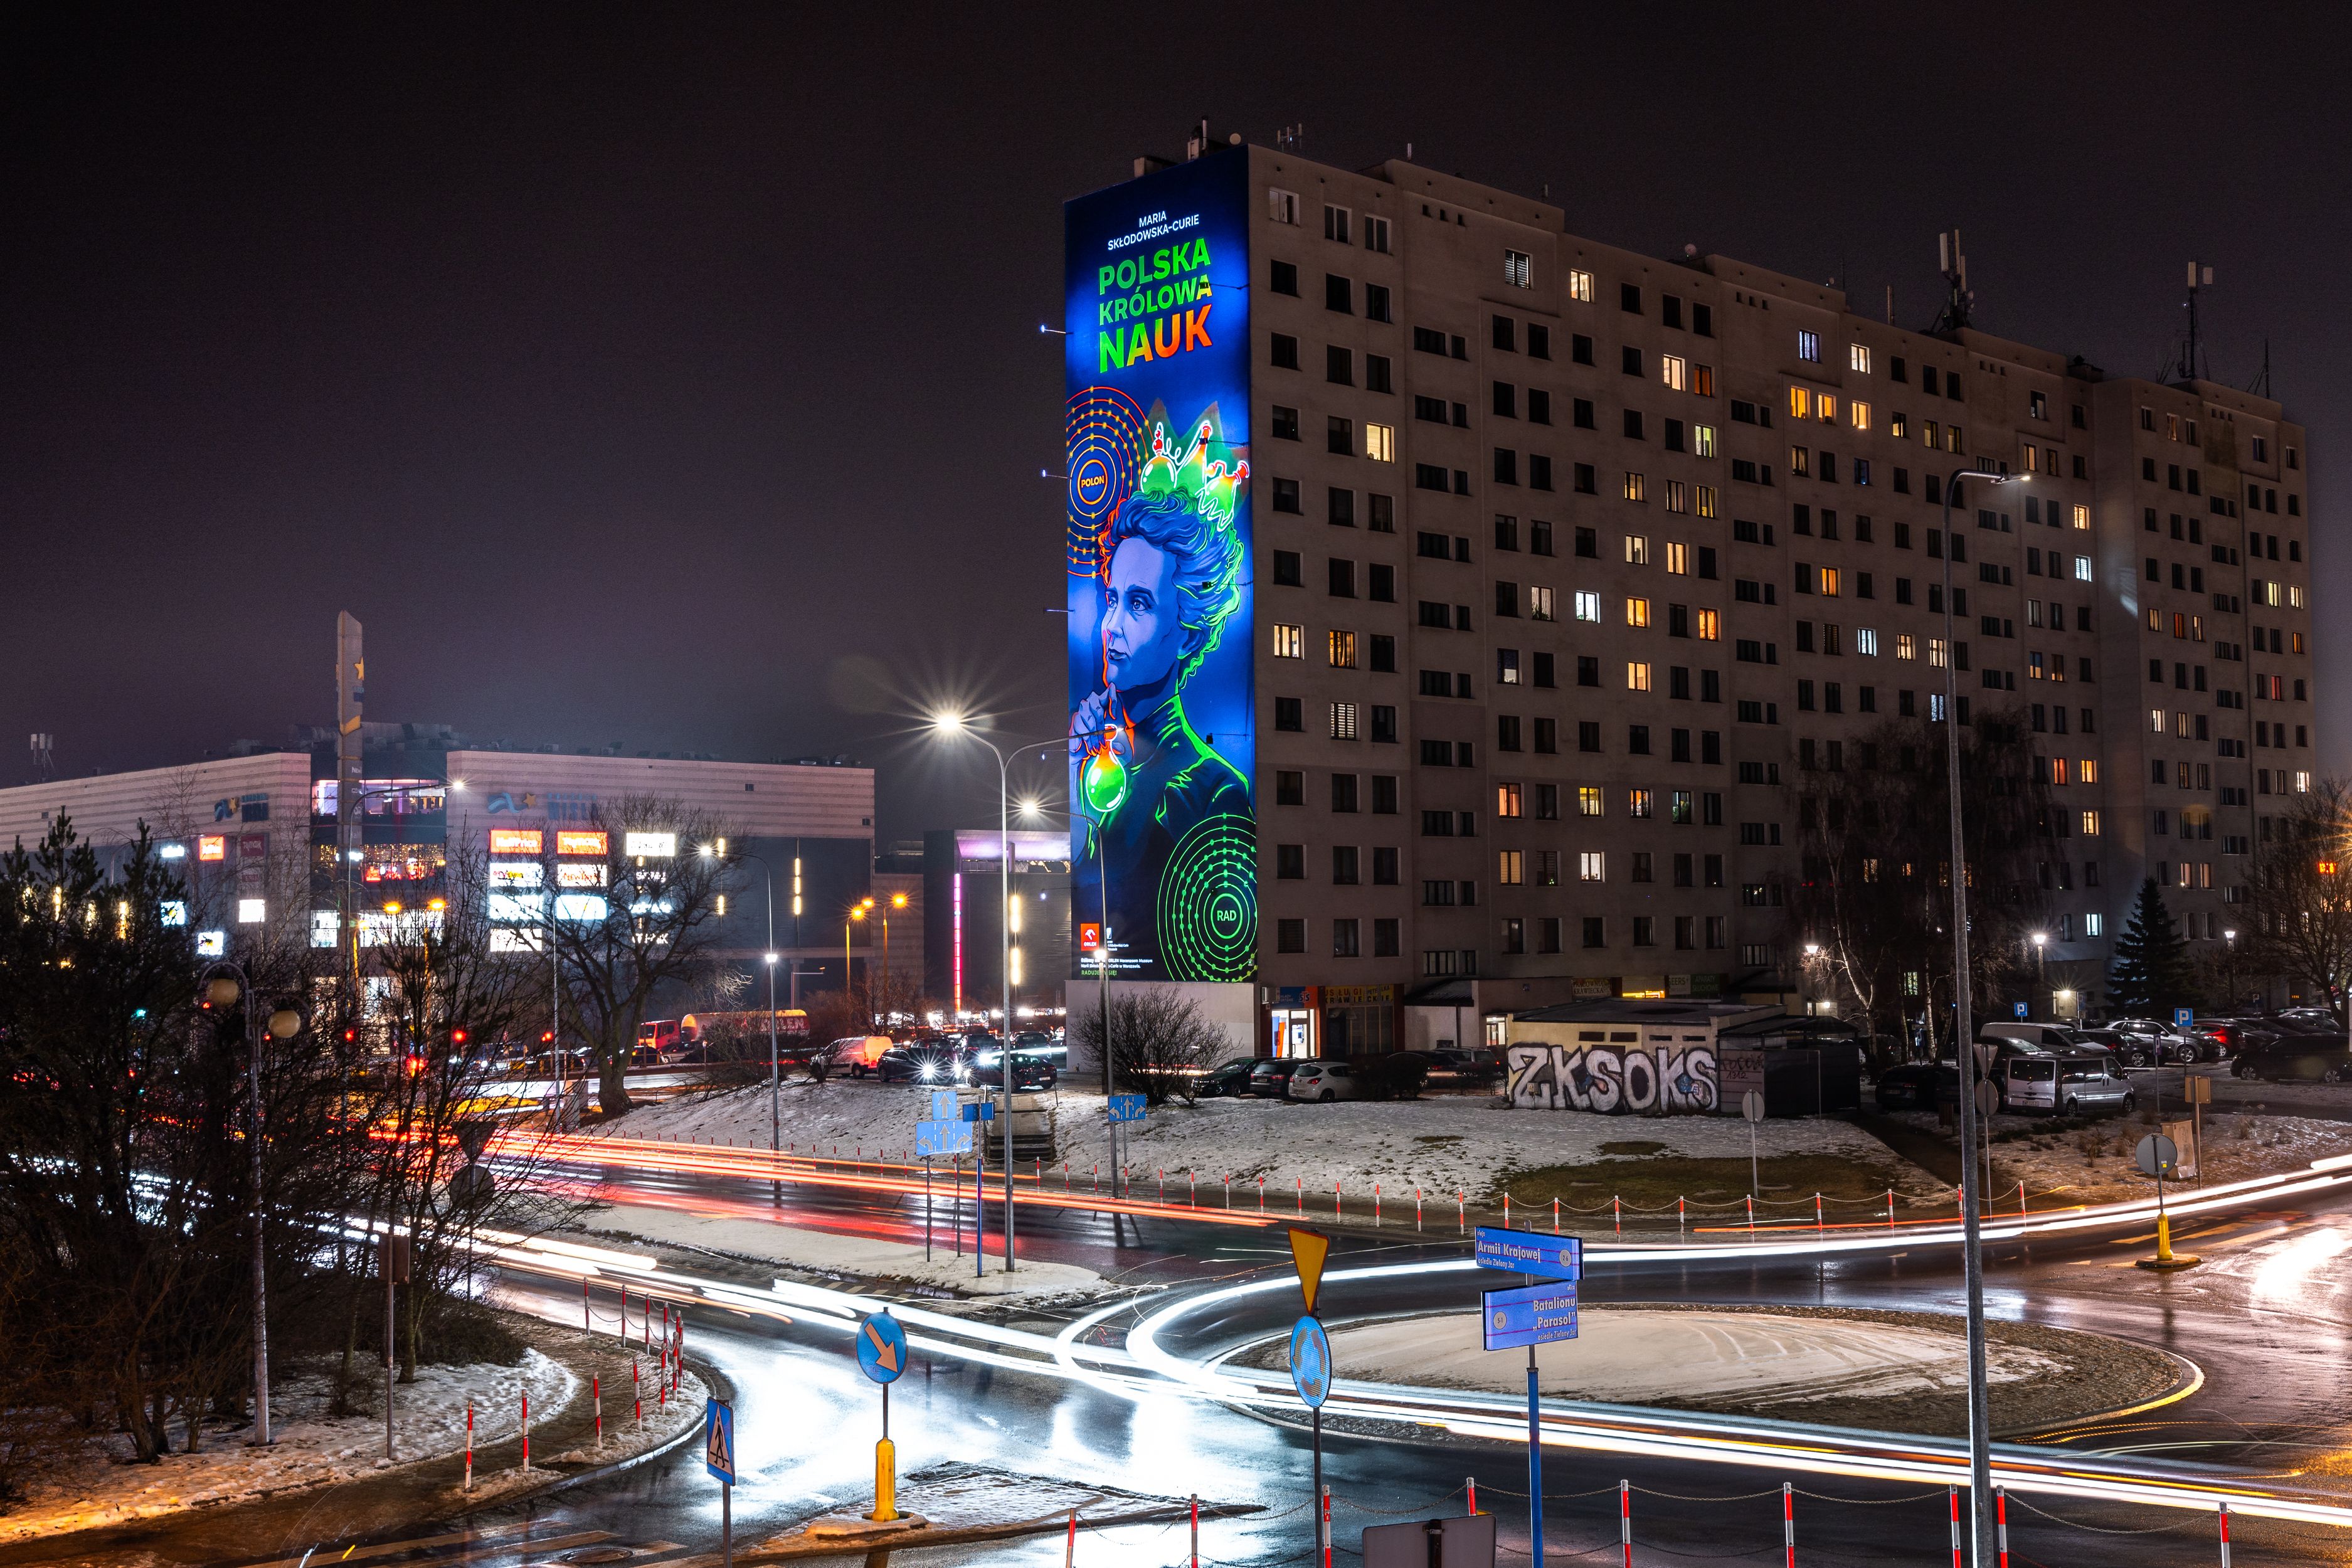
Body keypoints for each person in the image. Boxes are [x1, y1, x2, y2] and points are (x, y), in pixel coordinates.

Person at [1069, 419, 1252, 979]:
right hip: (1109, 1005)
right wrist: (1080, 783)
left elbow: (1222, 951)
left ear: (1190, 631)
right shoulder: (1089, 755)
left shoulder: (1213, 789)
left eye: (1141, 604)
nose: (1112, 626)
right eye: (1112, 599)